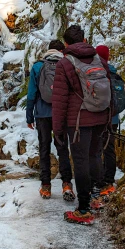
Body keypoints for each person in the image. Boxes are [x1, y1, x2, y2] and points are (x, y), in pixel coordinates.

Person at [51, 24, 112, 225]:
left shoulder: (65, 64)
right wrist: (109, 117)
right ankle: (96, 197)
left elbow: (59, 100)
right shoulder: (99, 60)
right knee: (95, 155)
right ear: (85, 40)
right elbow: (110, 89)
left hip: (77, 122)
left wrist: (57, 128)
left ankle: (84, 209)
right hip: (100, 117)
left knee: (80, 161)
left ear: (66, 44)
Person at [26, 39, 75, 201]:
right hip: (61, 113)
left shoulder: (38, 66)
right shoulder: (66, 65)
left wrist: (29, 116)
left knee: (44, 149)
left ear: (48, 50)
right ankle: (67, 184)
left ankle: (46, 186)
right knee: (62, 148)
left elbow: (32, 94)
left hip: (42, 114)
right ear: (61, 51)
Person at [95, 45, 125, 195]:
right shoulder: (113, 72)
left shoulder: (96, 72)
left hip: (99, 118)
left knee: (96, 149)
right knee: (109, 149)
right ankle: (109, 181)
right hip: (113, 118)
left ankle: (99, 182)